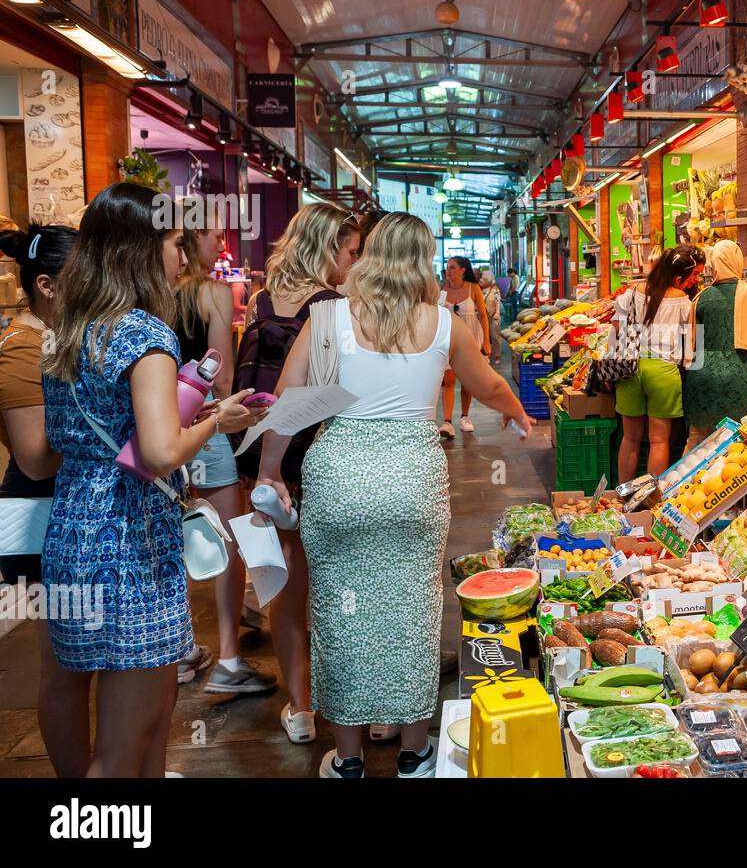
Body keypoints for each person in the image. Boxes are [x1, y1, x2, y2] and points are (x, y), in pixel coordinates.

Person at [254, 213, 533, 778]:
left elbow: (287, 401)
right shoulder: (444, 324)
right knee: (415, 608)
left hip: (339, 477)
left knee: (337, 612)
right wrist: (518, 413)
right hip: (412, 478)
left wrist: (270, 472)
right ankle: (413, 752)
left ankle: (349, 759)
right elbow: (490, 384)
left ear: (371, 255)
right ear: (424, 261)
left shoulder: (327, 316)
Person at [40, 182, 266, 777]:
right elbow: (162, 449)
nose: (183, 257)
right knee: (123, 746)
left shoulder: (67, 328)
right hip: (129, 540)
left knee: (115, 725)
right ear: (141, 249)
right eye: (173, 243)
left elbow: (60, 446)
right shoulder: (144, 335)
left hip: (71, 530)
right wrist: (219, 417)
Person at [234, 202, 360, 744]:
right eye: (351, 252)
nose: (354, 264)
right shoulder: (333, 307)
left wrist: (262, 466)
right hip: (314, 455)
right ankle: (360, 704)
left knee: (283, 581)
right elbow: (319, 395)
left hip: (262, 458)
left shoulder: (262, 301)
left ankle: (302, 707)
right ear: (328, 248)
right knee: (340, 583)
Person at [172, 215, 278, 697]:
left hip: (159, 430)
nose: (222, 242)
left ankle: (178, 652)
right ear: (190, 238)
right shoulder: (212, 294)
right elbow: (222, 371)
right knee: (227, 541)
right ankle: (230, 661)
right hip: (208, 426)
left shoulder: (151, 292)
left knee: (171, 540)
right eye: (215, 235)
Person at [0, 224, 86, 777]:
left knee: (76, 664)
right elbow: (36, 460)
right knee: (60, 669)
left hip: (61, 512)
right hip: (36, 517)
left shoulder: (55, 340)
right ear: (48, 286)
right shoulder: (21, 352)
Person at [612, 244, 704, 482]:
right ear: (677, 277)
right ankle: (650, 499)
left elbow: (616, 332)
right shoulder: (684, 301)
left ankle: (624, 495)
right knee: (659, 440)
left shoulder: (631, 293)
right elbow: (693, 344)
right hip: (663, 372)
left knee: (630, 439)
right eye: (694, 275)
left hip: (630, 369)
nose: (696, 280)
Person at [683, 240, 747, 450]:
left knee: (699, 442)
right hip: (739, 374)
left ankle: (689, 480)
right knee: (740, 441)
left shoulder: (701, 298)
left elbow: (694, 342)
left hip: (702, 376)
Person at [438, 256, 492, 437]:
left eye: (452, 267)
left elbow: (483, 315)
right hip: (448, 338)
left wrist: (486, 341)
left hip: (470, 337)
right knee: (449, 380)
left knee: (467, 381)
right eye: (447, 267)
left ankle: (465, 417)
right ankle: (446, 422)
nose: (448, 270)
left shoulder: (473, 288)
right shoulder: (440, 289)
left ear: (462, 270)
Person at [479, 267, 504, 365]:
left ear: (488, 281)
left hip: (493, 316)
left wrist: (497, 312)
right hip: (482, 317)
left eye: (483, 279)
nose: (481, 280)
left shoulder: (495, 290)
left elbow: (498, 301)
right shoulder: (479, 290)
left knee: (495, 336)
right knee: (484, 336)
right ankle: (486, 355)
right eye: (481, 278)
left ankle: (497, 356)